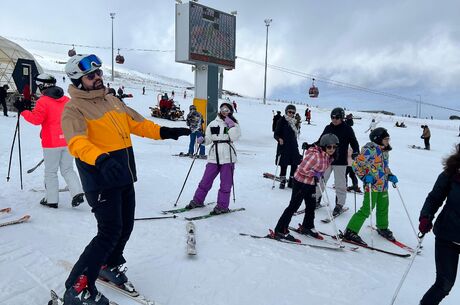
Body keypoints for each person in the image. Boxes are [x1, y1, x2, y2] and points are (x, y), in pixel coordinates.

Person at [60, 54, 190, 305]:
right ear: (78, 81)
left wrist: (166, 131)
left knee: (125, 226)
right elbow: (76, 143)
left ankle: (108, 264)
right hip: (100, 178)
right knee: (108, 232)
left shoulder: (111, 99)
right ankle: (76, 289)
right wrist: (101, 159)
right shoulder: (73, 108)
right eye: (90, 75)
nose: (97, 77)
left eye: (99, 73)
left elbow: (137, 124)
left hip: (123, 175)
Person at [13, 73, 84, 209]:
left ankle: (51, 199)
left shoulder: (43, 101)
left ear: (43, 85)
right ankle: (77, 192)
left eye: (39, 86)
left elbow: (36, 119)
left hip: (51, 143)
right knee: (68, 169)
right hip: (68, 140)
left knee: (51, 172)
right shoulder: (66, 99)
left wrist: (23, 110)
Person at [273, 134, 338, 241]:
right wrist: (314, 173)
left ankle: (307, 226)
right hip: (301, 183)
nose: (332, 149)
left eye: (334, 147)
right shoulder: (315, 156)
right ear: (323, 146)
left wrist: (318, 175)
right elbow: (302, 168)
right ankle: (280, 229)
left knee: (311, 205)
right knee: (294, 206)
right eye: (329, 147)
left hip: (311, 183)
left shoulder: (328, 156)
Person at [418, 144, 460, 305]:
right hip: (447, 235)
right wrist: (425, 217)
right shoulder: (452, 172)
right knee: (444, 284)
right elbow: (435, 197)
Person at [342, 127, 398, 245]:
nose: (388, 141)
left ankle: (382, 227)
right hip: (371, 186)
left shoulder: (385, 152)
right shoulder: (369, 150)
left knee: (383, 207)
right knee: (367, 209)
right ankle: (350, 230)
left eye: (388, 139)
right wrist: (364, 177)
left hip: (383, 185)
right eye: (386, 139)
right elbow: (356, 165)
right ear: (378, 139)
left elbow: (384, 167)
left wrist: (390, 175)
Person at [185, 102, 241, 214]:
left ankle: (222, 206)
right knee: (206, 180)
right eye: (222, 109)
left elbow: (235, 136)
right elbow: (209, 139)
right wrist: (203, 140)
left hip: (228, 156)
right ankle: (198, 200)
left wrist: (230, 125)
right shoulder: (213, 123)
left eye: (227, 110)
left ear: (230, 111)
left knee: (225, 183)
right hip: (214, 156)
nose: (224, 111)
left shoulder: (234, 123)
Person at [316, 107, 359, 215]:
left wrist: (356, 151)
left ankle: (339, 204)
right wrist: (311, 145)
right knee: (320, 180)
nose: (334, 119)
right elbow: (320, 141)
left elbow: (354, 142)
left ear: (342, 117)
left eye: (337, 117)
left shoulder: (347, 129)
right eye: (332, 117)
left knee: (340, 183)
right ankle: (316, 199)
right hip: (326, 159)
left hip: (340, 160)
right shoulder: (328, 127)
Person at [274, 104, 302, 189]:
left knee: (295, 164)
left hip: (293, 146)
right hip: (284, 146)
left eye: (293, 112)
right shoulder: (281, 121)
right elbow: (276, 134)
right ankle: (282, 181)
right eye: (290, 112)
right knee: (284, 163)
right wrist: (279, 139)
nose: (291, 114)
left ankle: (291, 181)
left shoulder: (294, 122)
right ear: (286, 111)